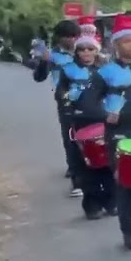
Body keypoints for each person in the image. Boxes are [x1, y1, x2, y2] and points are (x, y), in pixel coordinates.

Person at [79, 15, 131, 251]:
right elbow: (87, 103)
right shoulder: (104, 73)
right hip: (119, 138)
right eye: (128, 41)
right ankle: (129, 232)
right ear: (116, 44)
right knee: (125, 188)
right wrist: (105, 114)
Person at [57, 34, 114, 219]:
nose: (86, 52)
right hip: (80, 122)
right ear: (77, 52)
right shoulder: (68, 70)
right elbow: (61, 94)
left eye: (90, 49)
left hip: (104, 121)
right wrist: (69, 104)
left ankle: (111, 202)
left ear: (96, 50)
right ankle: (92, 205)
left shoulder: (105, 70)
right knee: (86, 166)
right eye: (82, 49)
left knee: (108, 163)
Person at [32, 20, 84, 196]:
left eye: (74, 36)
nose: (72, 40)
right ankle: (76, 177)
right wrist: (43, 61)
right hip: (65, 99)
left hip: (88, 97)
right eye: (68, 37)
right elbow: (39, 77)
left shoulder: (84, 50)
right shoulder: (52, 55)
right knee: (71, 136)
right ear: (60, 38)